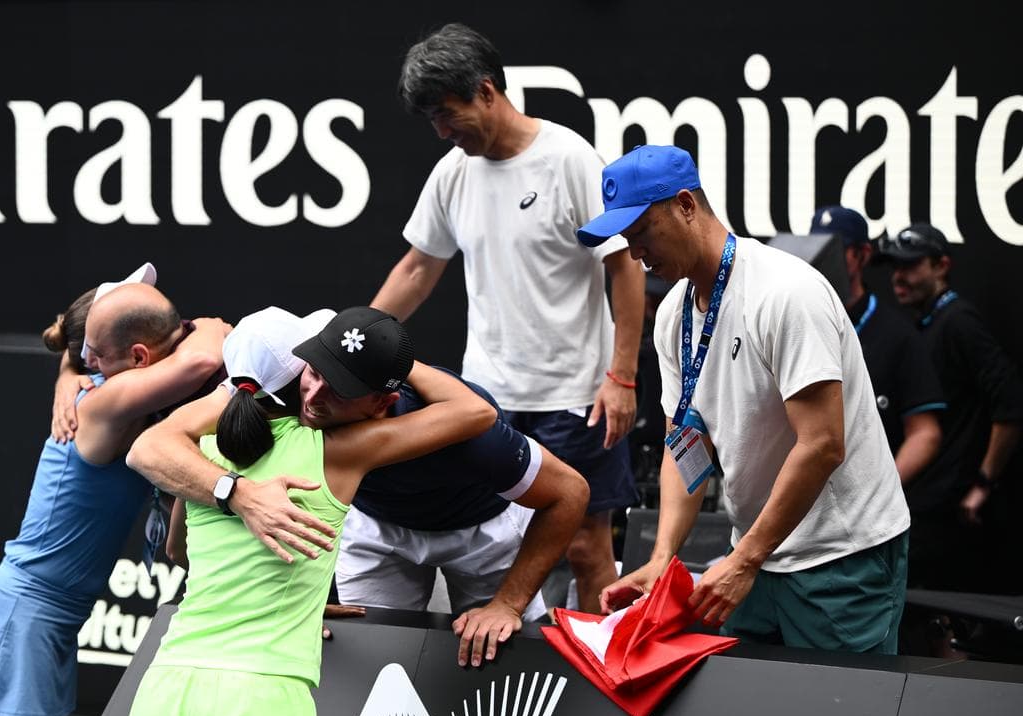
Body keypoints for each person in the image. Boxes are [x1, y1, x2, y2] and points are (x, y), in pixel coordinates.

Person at [132, 306, 590, 667]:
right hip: (376, 528)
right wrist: (240, 494)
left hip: (477, 529)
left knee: (498, 652)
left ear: (383, 401)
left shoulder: (463, 428)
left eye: (341, 390)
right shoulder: (285, 387)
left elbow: (569, 492)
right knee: (364, 657)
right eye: (314, 373)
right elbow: (150, 447)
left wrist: (509, 604)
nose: (312, 399)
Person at [589, 145, 911, 654]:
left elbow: (824, 444)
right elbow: (686, 442)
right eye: (627, 240)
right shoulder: (673, 315)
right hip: (758, 555)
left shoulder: (785, 292)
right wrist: (663, 556)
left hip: (841, 557)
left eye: (642, 232)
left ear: (686, 205)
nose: (635, 254)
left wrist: (745, 559)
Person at [371, 22, 643, 611]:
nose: (443, 132)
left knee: (585, 547)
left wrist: (621, 376)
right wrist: (352, 339)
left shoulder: (569, 158)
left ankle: (599, 688)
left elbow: (624, 266)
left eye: (448, 114)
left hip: (576, 397)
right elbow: (419, 269)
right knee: (493, 545)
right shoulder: (452, 171)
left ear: (487, 91)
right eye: (432, 122)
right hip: (487, 398)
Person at [0, 270, 229, 716]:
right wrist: (202, 325)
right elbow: (202, 358)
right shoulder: (99, 403)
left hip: (48, 616)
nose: (95, 362)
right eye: (90, 353)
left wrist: (68, 368)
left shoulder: (128, 403)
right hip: (23, 609)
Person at [878, 223, 1023, 594]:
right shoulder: (924, 325)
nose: (899, 277)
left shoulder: (958, 322)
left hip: (951, 512)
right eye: (895, 267)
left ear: (941, 265)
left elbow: (1011, 405)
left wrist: (983, 484)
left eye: (910, 266)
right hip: (926, 503)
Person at [810, 206, 945, 483]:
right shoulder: (799, 321)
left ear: (863, 255)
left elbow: (925, 433)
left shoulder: (897, 335)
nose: (823, 258)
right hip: (805, 502)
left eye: (835, 248)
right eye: (817, 247)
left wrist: (881, 494)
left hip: (869, 510)